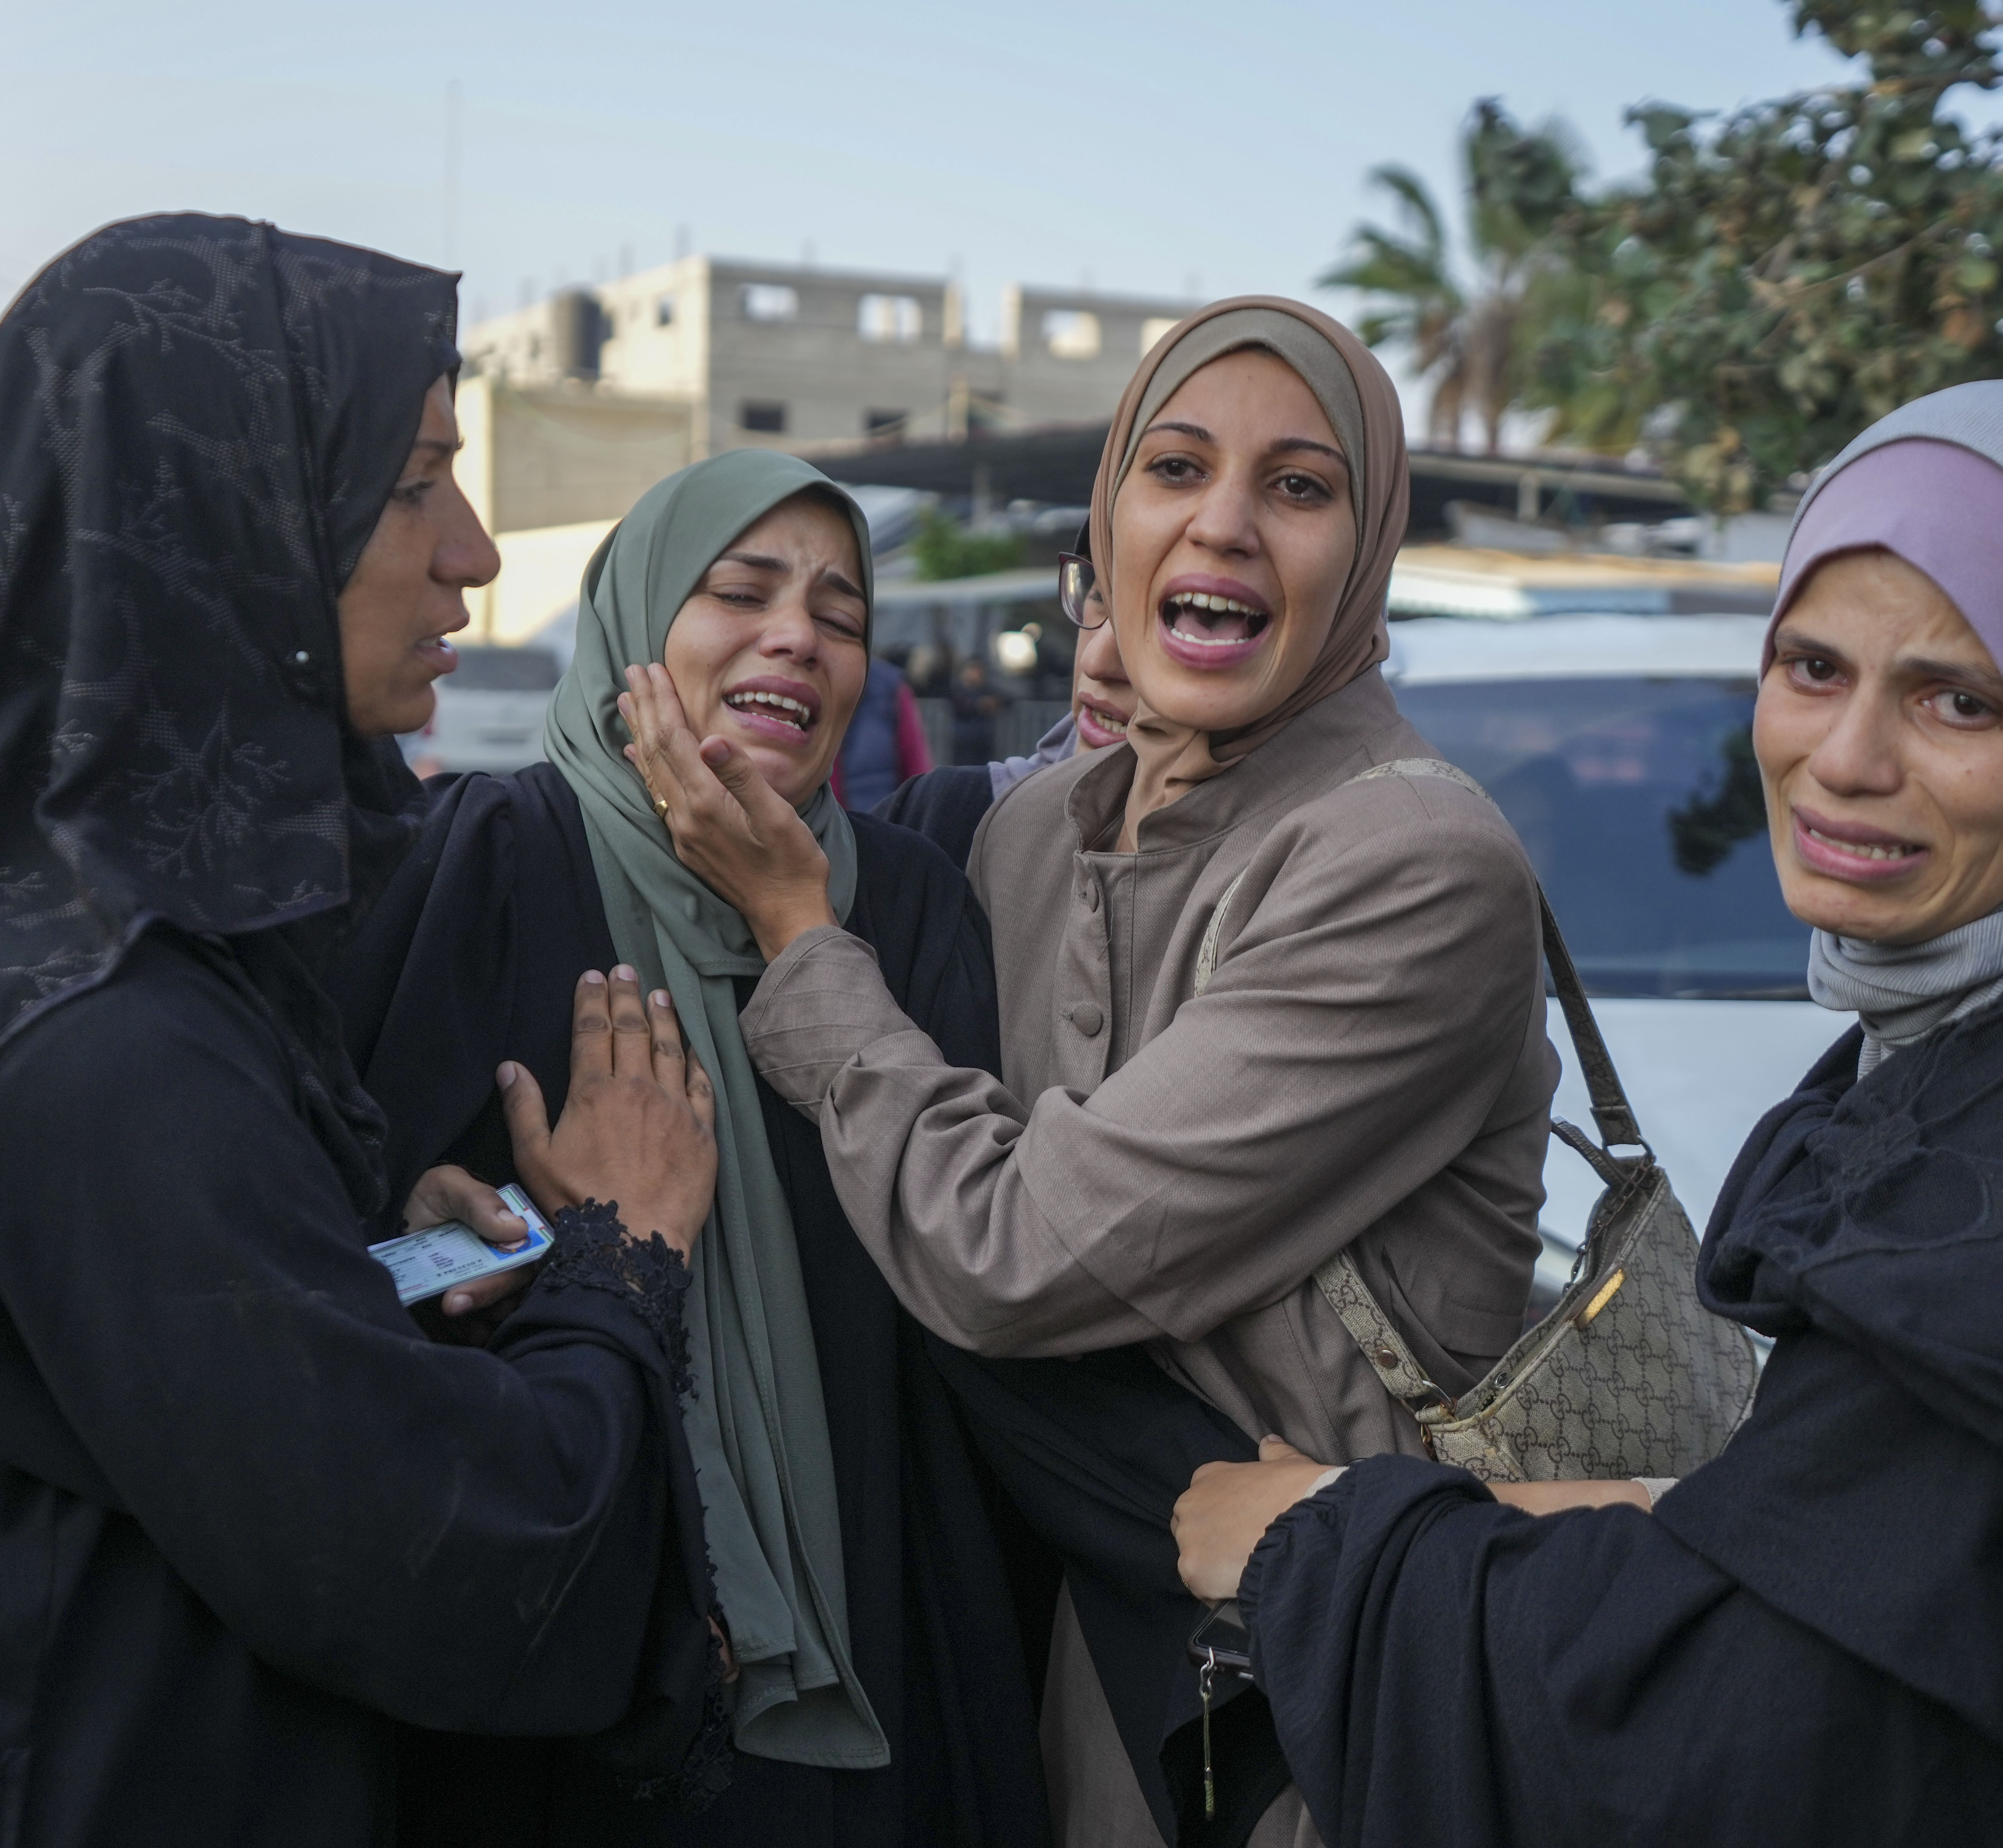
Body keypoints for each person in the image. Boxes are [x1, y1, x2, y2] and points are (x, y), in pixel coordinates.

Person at [1175, 375, 2003, 1846]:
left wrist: (1323, 1547)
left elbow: (1752, 1725)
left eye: (1958, 698)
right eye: (1809, 667)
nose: (1841, 762)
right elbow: (1936, 1564)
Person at [0, 213, 737, 1847]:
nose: (473, 549)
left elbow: (106, 1383)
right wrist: (616, 1258)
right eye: (407, 481)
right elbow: (435, 1556)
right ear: (217, 520)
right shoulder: (98, 1050)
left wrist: (376, 1276)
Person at [625, 297, 1562, 1846]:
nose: (1223, 523)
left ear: (1365, 545)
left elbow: (1003, 1252)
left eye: (1298, 486)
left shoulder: (1412, 858)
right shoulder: (1025, 833)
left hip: (1305, 1711)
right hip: (1040, 1677)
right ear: (1108, 519)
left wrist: (797, 931)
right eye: (1174, 465)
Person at [325, 448, 1051, 1845]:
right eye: (740, 590)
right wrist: (437, 1243)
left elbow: (970, 1250)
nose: (797, 634)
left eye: (840, 615)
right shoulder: (477, 863)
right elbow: (341, 1260)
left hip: (878, 1614)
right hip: (577, 1650)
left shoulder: (901, 907)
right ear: (636, 621)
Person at [875, 522, 1136, 870]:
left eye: (1170, 617)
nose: (1096, 661)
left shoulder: (1229, 890)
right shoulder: (943, 817)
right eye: (1099, 597)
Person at [826, 649, 931, 811]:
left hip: (885, 817)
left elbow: (916, 761)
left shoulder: (891, 689)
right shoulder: (825, 684)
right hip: (839, 819)